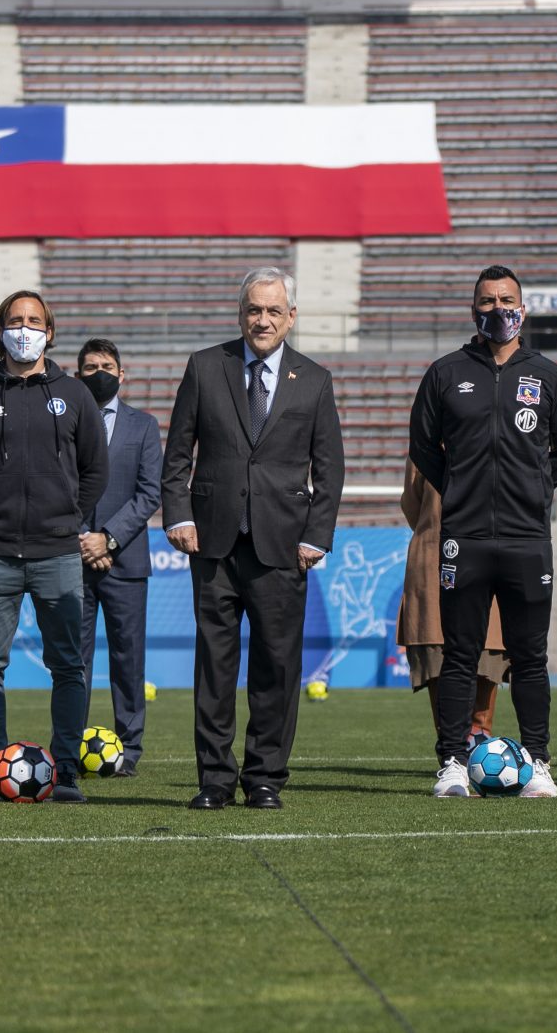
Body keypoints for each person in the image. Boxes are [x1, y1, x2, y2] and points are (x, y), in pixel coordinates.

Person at [162, 269, 345, 811]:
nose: (261, 320)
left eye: (272, 311)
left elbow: (329, 470)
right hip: (212, 545)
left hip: (284, 549)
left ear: (291, 317)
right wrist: (177, 514)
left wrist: (317, 536)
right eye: (252, 309)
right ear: (240, 313)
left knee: (277, 668)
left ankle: (265, 778)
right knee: (213, 668)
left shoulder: (314, 380)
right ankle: (215, 780)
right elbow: (178, 454)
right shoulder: (204, 367)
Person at [410, 265, 557, 799]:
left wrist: (532, 489)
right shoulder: (444, 373)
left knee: (530, 657)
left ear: (523, 307)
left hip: (527, 538)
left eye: (506, 299)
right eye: (487, 301)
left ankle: (538, 761)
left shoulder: (549, 376)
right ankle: (453, 764)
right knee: (460, 654)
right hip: (465, 539)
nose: (497, 308)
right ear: (473, 309)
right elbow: (423, 448)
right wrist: (461, 489)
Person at [0, 290, 108, 803]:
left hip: (58, 553)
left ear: (50, 331)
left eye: (34, 320)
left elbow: (95, 471)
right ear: (0, 331)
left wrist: (65, 518)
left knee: (67, 665)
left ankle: (65, 772)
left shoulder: (76, 394)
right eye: (15, 320)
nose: (24, 328)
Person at [74, 337, 162, 775]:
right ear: (77, 375)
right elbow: (55, 487)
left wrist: (106, 539)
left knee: (128, 659)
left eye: (107, 365)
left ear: (122, 374)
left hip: (125, 562)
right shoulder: (63, 423)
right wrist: (82, 539)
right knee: (74, 659)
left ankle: (128, 751)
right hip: (71, 560)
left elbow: (150, 493)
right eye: (90, 367)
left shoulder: (143, 426)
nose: (99, 373)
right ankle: (69, 743)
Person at [397, 465, 508, 744]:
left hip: (450, 547)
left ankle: (468, 743)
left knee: (483, 649)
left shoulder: (430, 432)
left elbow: (412, 503)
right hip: (451, 551)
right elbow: (412, 503)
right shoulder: (430, 432)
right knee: (443, 649)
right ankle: (460, 745)